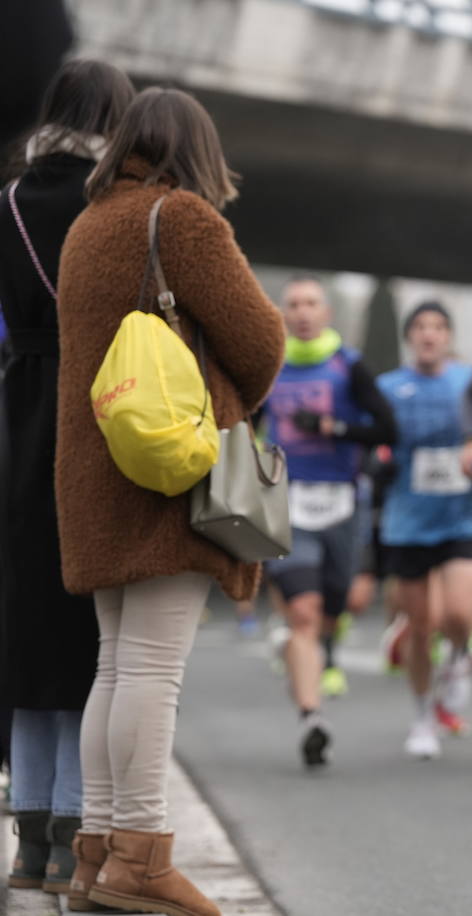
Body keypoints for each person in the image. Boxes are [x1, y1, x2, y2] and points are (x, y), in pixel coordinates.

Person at [55, 87, 286, 916]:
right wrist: (230, 393)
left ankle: (99, 855)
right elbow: (262, 341)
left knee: (116, 666)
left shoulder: (87, 227)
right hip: (170, 471)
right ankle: (142, 860)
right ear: (197, 151)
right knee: (152, 668)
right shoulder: (181, 220)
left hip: (94, 472)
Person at [0, 58, 133, 901]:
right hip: (97, 410)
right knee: (91, 630)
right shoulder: (111, 205)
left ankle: (29, 837)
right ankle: (79, 831)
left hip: (17, 416)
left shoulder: (8, 203)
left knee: (23, 623)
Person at [260, 275, 396, 768]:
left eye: (311, 303)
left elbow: (387, 427)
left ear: (326, 313)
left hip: (341, 503)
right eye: (292, 304)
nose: (301, 312)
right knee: (303, 613)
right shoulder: (268, 365)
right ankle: (311, 716)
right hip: (288, 504)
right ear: (282, 313)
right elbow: (244, 423)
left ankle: (323, 653)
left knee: (341, 604)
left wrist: (333, 428)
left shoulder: (349, 366)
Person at [376, 301, 472, 759]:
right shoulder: (388, 387)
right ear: (409, 336)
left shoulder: (467, 382)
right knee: (420, 628)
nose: (429, 334)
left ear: (448, 336)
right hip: (407, 522)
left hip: (462, 517)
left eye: (438, 327)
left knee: (459, 615)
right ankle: (423, 714)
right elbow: (374, 439)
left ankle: (460, 658)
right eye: (420, 327)